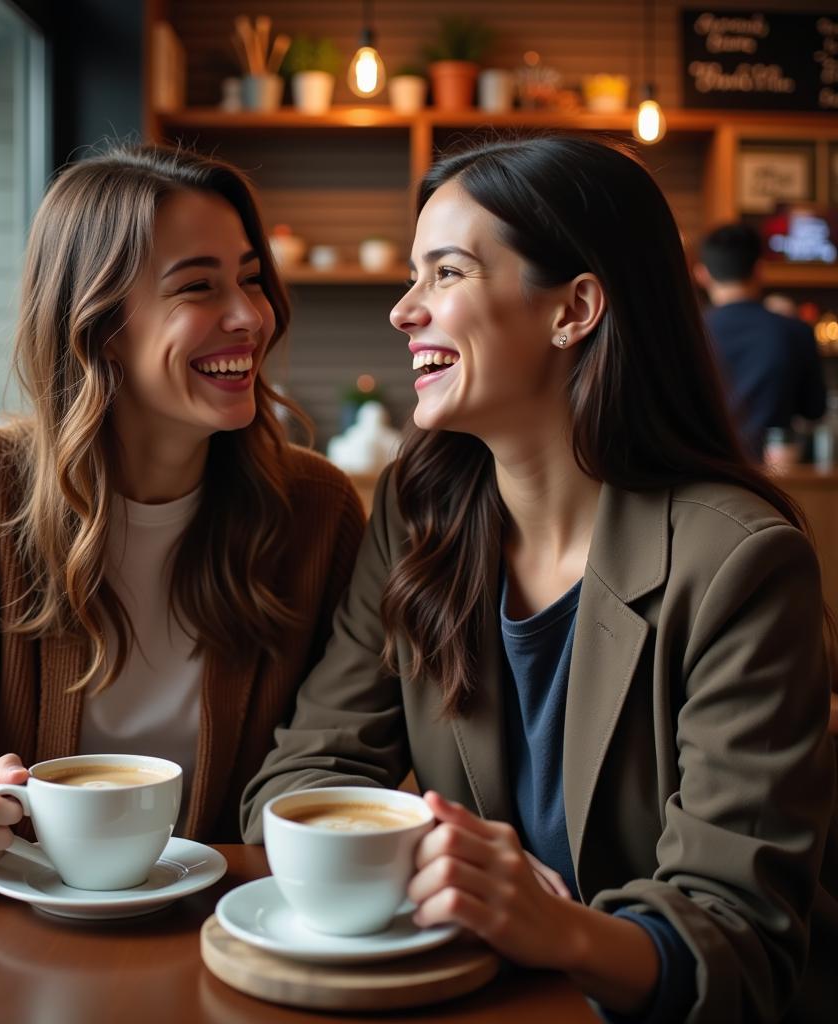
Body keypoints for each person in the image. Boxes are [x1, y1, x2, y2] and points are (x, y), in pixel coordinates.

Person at [241, 136, 838, 1023]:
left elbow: (739, 939)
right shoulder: (420, 510)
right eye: (414, 276)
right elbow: (305, 773)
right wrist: (423, 863)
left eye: (446, 273)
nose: (405, 310)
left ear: (575, 309)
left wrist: (550, 926)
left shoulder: (739, 563)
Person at [0, 144, 365, 882]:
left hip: (236, 922)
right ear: (100, 323)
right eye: (199, 286)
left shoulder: (315, 509)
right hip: (34, 932)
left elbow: (346, 757)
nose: (251, 316)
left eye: (252, 279)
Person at [694, 223, 827, 460]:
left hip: (704, 469)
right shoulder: (795, 330)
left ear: (702, 274)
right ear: (759, 270)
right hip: (776, 475)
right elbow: (814, 410)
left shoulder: (689, 331)